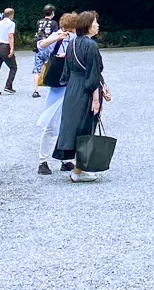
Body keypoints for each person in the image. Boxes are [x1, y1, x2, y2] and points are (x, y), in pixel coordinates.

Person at [53, 11, 109, 182]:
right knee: (86, 127)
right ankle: (79, 171)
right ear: (87, 25)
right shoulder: (91, 45)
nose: (97, 25)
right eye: (95, 22)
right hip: (86, 89)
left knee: (73, 127)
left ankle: (79, 167)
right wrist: (96, 97)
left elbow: (68, 71)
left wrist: (103, 85)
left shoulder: (72, 43)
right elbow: (92, 73)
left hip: (73, 88)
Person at [35, 11, 77, 174]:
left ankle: (65, 159)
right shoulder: (57, 36)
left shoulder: (76, 38)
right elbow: (40, 47)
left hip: (71, 83)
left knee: (68, 123)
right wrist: (56, 38)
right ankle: (42, 161)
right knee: (50, 123)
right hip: (58, 84)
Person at [0, 6, 18, 95]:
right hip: (5, 46)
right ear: (11, 15)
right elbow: (10, 36)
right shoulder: (11, 24)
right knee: (13, 67)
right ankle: (8, 86)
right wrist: (12, 48)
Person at [31, 4, 58, 98]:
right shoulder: (54, 23)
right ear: (53, 13)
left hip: (39, 47)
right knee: (51, 67)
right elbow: (55, 36)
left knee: (37, 69)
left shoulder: (39, 22)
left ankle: (35, 90)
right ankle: (53, 89)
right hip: (49, 47)